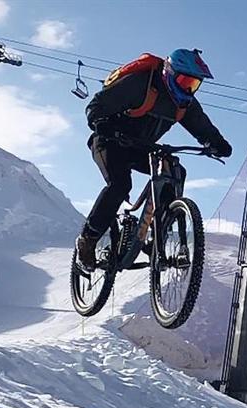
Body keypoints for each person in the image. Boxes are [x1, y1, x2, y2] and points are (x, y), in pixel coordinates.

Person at [76, 48, 232, 269]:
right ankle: (88, 239)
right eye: (185, 80)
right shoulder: (140, 83)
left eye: (194, 85)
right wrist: (101, 123)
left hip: (141, 148)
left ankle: (157, 236)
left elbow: (201, 125)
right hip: (109, 141)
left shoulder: (184, 103)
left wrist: (217, 143)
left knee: (175, 172)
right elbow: (96, 106)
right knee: (120, 185)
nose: (188, 88)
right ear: (169, 72)